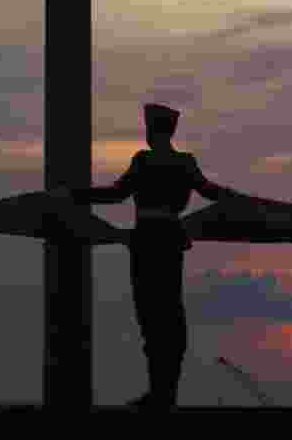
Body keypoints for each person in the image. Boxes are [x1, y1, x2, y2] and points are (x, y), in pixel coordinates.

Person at [48, 103, 243, 410]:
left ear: (152, 131)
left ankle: (159, 394)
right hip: (170, 240)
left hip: (146, 241)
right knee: (170, 315)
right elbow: (210, 191)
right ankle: (166, 394)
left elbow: (115, 194)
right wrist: (240, 199)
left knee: (151, 317)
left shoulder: (143, 160)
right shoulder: (186, 163)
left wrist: (72, 195)